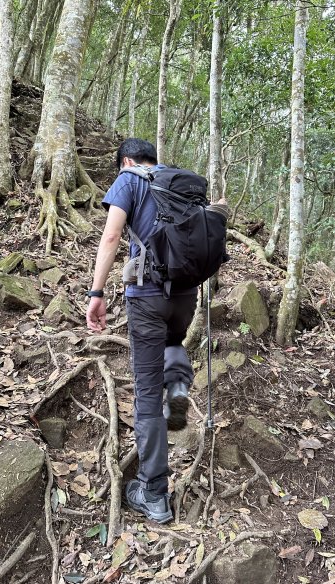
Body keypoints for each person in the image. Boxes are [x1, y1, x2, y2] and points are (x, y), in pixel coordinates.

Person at [86, 138, 198, 524]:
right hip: (186, 297)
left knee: (147, 395)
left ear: (128, 160)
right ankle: (179, 384)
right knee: (174, 341)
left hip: (146, 297)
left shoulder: (130, 180)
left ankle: (153, 493)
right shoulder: (179, 182)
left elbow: (112, 237)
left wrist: (96, 293)